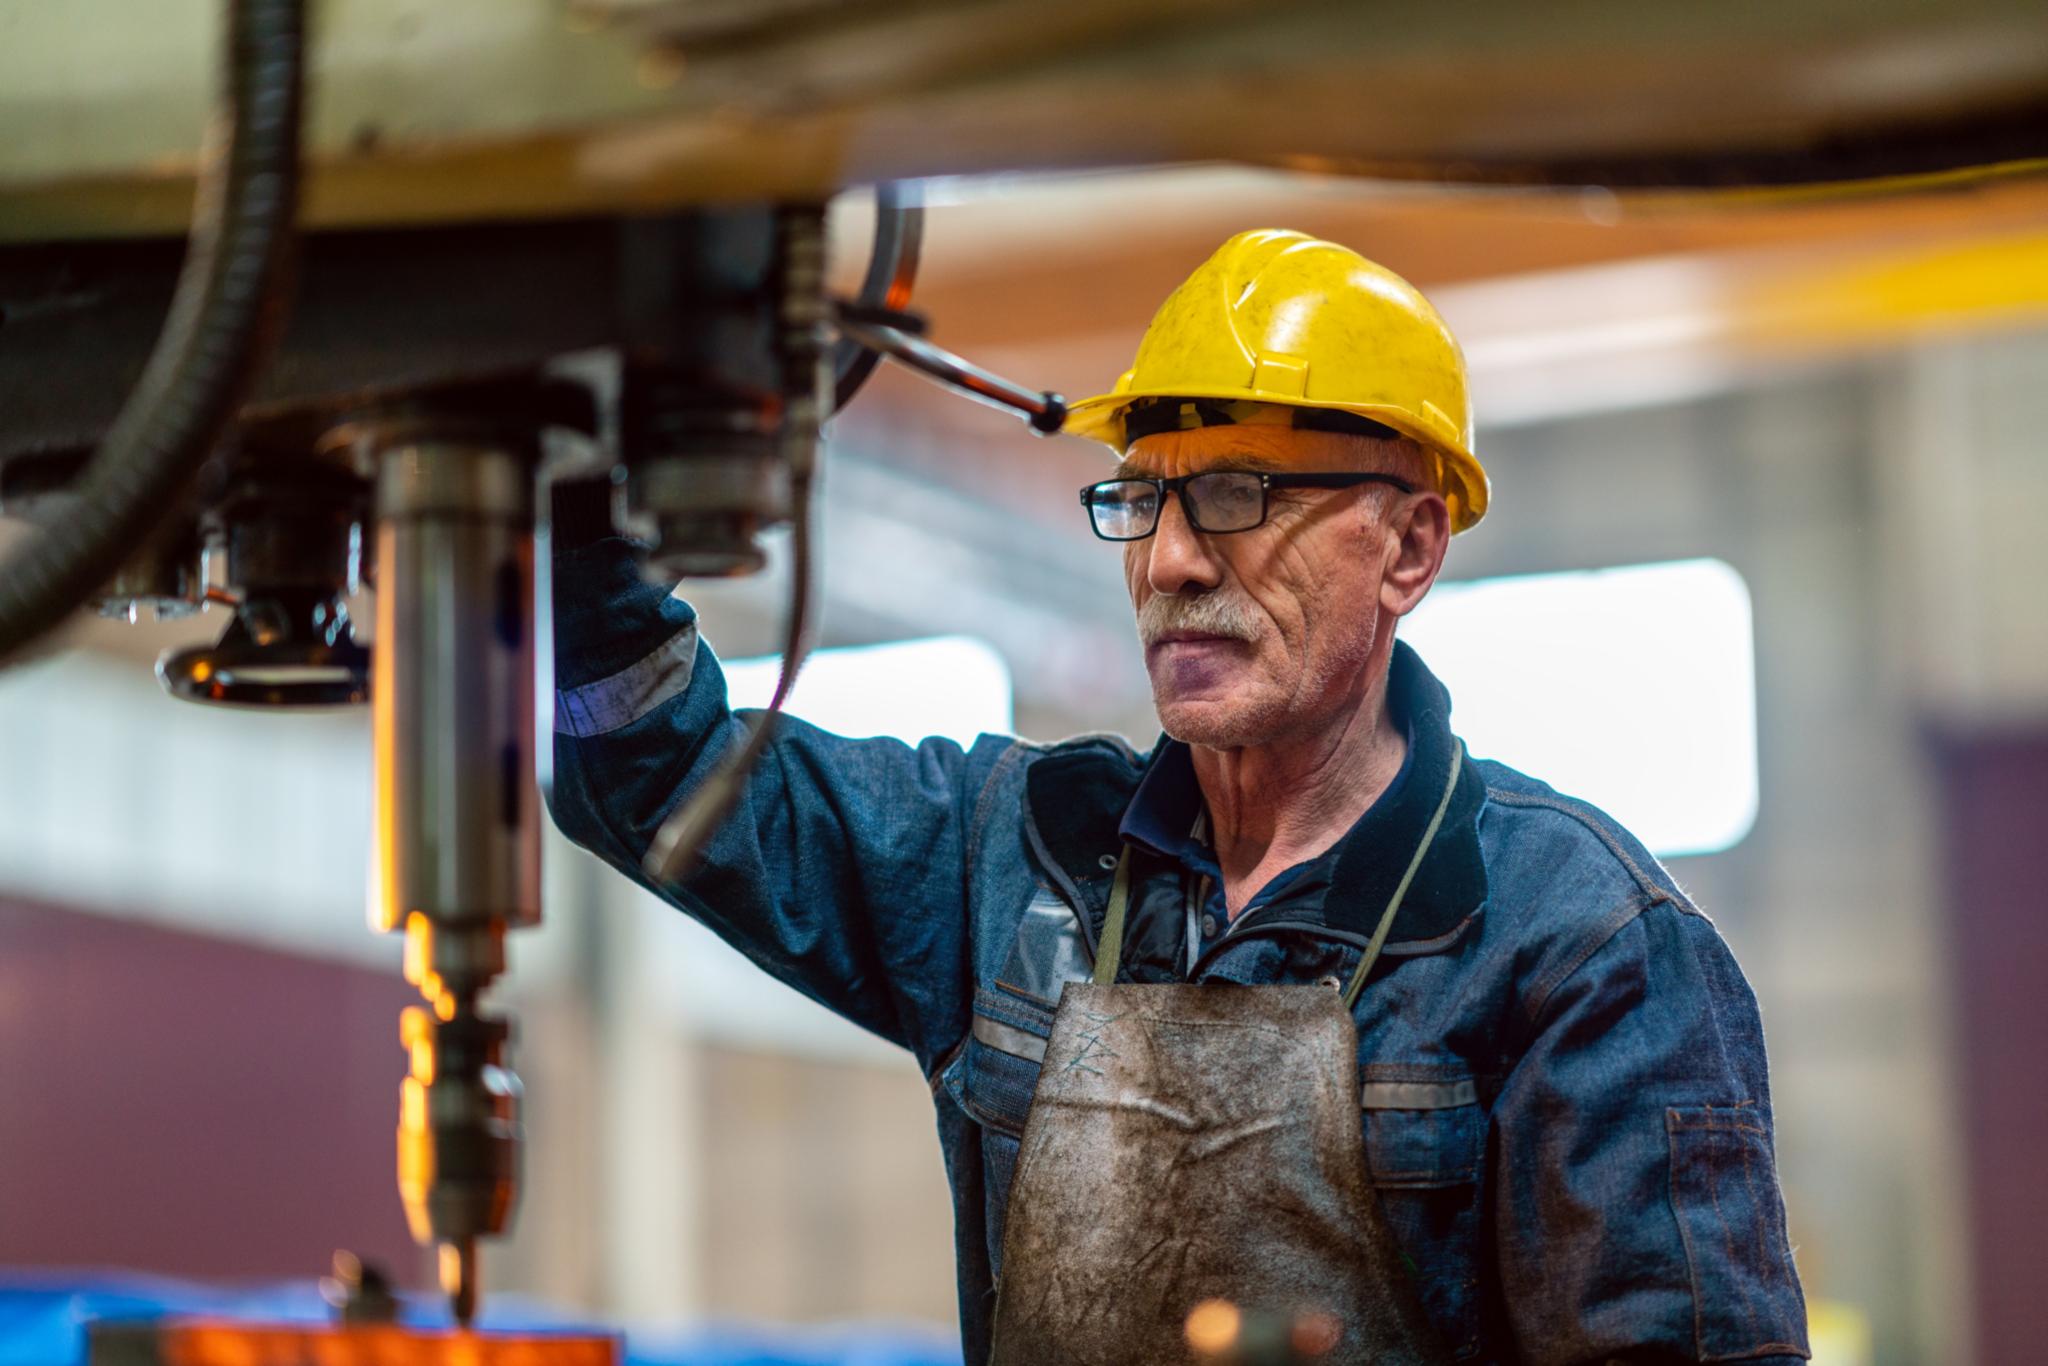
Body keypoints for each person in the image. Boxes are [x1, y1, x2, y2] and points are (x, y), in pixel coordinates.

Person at [547, 229, 1809, 1365]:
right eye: (1143, 497)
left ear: (1410, 547)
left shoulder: (1578, 945)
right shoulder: (1011, 855)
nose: (1168, 560)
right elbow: (652, 770)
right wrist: (581, 489)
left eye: (1237, 494)